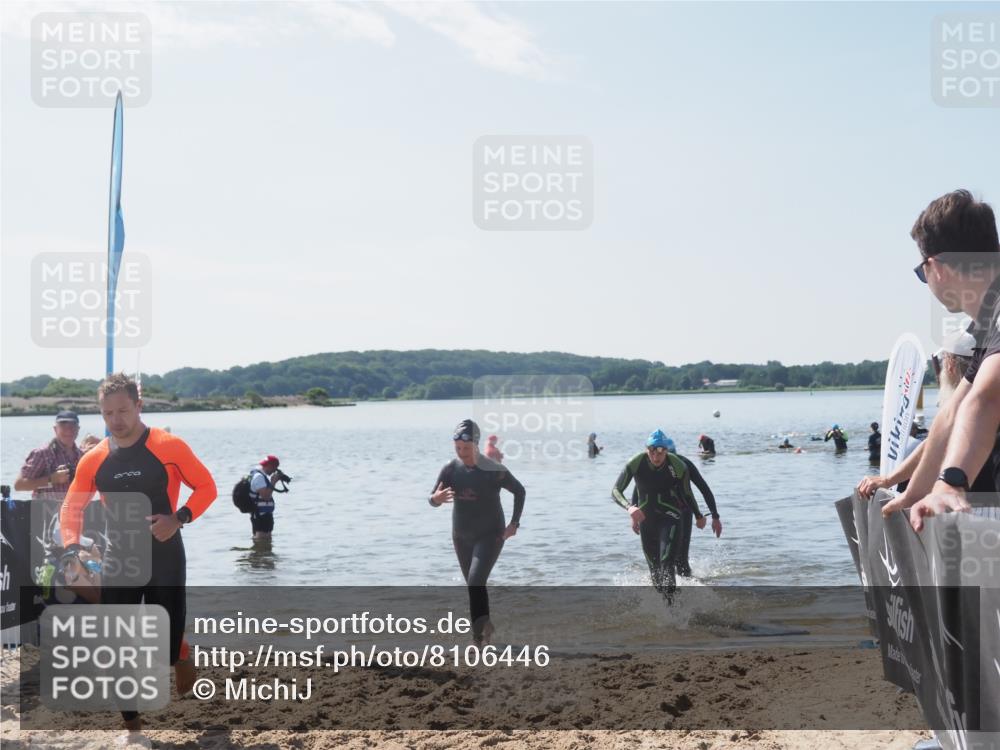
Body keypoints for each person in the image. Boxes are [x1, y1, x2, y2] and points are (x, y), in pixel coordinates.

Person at [60, 373, 217, 741]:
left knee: (165, 642)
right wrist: (71, 548)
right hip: (120, 558)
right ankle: (132, 730)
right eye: (108, 413)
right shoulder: (95, 459)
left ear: (139, 407)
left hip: (165, 554)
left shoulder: (169, 446)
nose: (116, 419)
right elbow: (72, 507)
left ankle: (179, 653)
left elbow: (207, 487)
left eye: (123, 410)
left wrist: (178, 518)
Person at [866, 190, 1000, 529]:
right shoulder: (988, 320)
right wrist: (911, 493)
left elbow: (985, 401)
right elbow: (954, 411)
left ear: (935, 267)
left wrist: (951, 482)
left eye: (921, 273)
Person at [429, 419, 524, 645]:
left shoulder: (494, 470)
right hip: (461, 536)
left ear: (476, 444)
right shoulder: (451, 469)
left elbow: (520, 491)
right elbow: (432, 498)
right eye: (457, 448)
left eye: (466, 448)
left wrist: (513, 525)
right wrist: (436, 499)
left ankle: (477, 640)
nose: (461, 453)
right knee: (475, 586)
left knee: (475, 582)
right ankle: (486, 626)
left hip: (491, 534)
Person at [612, 429, 693, 602]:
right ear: (647, 450)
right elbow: (617, 490)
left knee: (667, 563)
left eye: (661, 452)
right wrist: (630, 509)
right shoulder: (637, 462)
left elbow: (689, 494)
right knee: (655, 572)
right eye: (652, 452)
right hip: (647, 521)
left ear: (666, 451)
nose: (656, 457)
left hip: (671, 517)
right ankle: (667, 605)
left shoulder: (678, 465)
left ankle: (674, 611)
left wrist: (702, 515)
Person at [665, 437, 721, 577]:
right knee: (664, 559)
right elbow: (640, 490)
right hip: (661, 514)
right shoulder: (651, 465)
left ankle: (688, 589)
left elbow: (704, 489)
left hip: (684, 512)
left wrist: (715, 516)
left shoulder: (684, 463)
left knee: (681, 561)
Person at [14, 410, 83, 503]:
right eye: (63, 426)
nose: (68, 430)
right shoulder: (42, 454)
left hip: (74, 512)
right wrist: (51, 479)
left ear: (78, 429)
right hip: (46, 514)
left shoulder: (82, 456)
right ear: (55, 429)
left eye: (72, 426)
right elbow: (19, 485)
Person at [249, 454, 281, 540]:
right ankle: (260, 553)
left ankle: (260, 552)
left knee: (265, 544)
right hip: (260, 515)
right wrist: (273, 482)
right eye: (275, 468)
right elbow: (265, 496)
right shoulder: (259, 477)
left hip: (264, 514)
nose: (275, 471)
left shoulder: (262, 477)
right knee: (261, 539)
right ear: (270, 466)